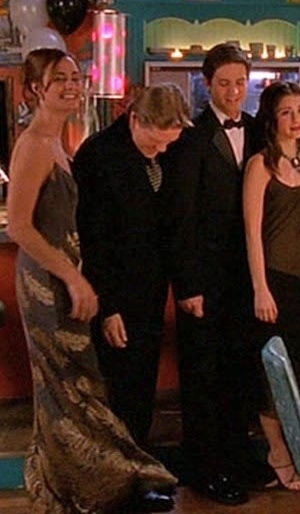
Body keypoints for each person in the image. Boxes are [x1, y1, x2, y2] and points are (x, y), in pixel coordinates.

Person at [6, 48, 176, 513]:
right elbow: (18, 226)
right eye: (59, 78)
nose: (71, 85)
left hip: (65, 277)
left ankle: (93, 485)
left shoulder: (57, 140)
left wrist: (79, 275)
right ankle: (72, 490)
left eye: (75, 77)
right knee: (64, 388)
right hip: (46, 281)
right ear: (36, 88)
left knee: (78, 387)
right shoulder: (33, 144)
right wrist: (74, 278)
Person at [163, 43, 265, 505]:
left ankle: (241, 460)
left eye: (240, 82)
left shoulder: (259, 130)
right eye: (224, 84)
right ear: (207, 85)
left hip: (248, 277)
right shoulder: (190, 138)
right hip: (205, 279)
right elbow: (179, 217)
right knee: (205, 377)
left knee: (242, 372)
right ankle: (207, 470)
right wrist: (188, 285)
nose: (233, 92)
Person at [73, 84, 190, 446]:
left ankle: (136, 458)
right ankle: (116, 465)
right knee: (118, 387)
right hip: (115, 291)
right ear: (135, 119)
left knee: (142, 384)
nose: (162, 151)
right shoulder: (98, 155)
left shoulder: (167, 150)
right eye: (155, 143)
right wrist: (109, 308)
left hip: (151, 288)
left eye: (168, 144)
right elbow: (94, 239)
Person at [243, 81, 300, 490]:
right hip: (273, 279)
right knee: (274, 374)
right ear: (272, 118)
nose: (296, 119)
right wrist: (260, 288)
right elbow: (251, 234)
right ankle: (278, 453)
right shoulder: (260, 165)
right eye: (286, 112)